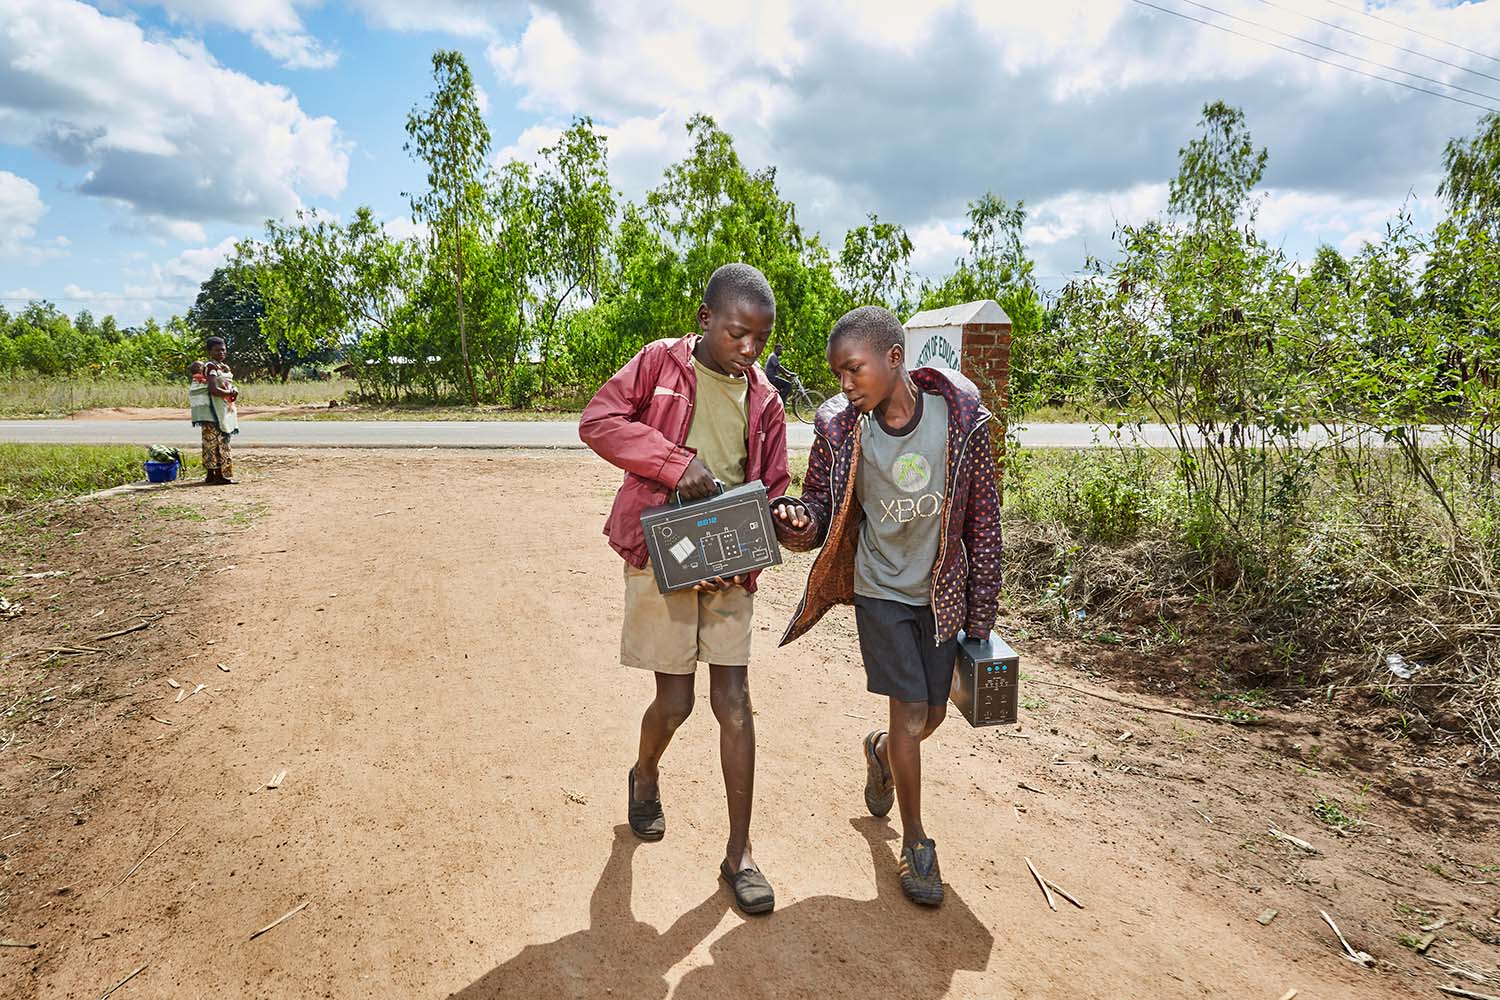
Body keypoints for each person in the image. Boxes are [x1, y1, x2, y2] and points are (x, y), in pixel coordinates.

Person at [578, 262, 798, 916]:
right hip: (663, 549)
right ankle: (645, 773)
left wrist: (786, 522)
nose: (750, 350)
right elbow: (599, 421)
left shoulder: (766, 400)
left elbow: (776, 486)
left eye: (761, 337)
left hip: (730, 558)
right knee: (673, 704)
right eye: (737, 334)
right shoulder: (657, 363)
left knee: (733, 701)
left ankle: (740, 855)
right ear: (706, 320)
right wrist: (677, 465)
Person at [771, 305, 1003, 907]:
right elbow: (820, 512)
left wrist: (979, 624)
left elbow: (983, 528)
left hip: (940, 594)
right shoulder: (843, 430)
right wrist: (798, 521)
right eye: (839, 374)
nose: (844, 385)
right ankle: (918, 842)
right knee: (908, 713)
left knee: (931, 718)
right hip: (880, 593)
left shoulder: (961, 424)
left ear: (894, 358)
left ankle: (878, 754)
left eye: (853, 370)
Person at [193, 336, 239, 485]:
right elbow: (213, 389)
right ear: (209, 351)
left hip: (214, 411)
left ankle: (211, 475)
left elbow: (225, 384)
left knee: (210, 443)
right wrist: (229, 393)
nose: (221, 352)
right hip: (214, 412)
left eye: (223, 349)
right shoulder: (211, 367)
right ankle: (221, 476)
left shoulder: (220, 366)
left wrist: (232, 389)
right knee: (220, 442)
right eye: (217, 350)